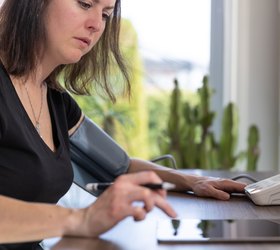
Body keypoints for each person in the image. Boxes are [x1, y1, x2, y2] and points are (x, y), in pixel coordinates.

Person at [0, 0, 246, 249]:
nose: (96, 25)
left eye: (106, 14)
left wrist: (191, 182)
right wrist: (81, 220)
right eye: (85, 4)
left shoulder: (56, 101)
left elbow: (119, 166)